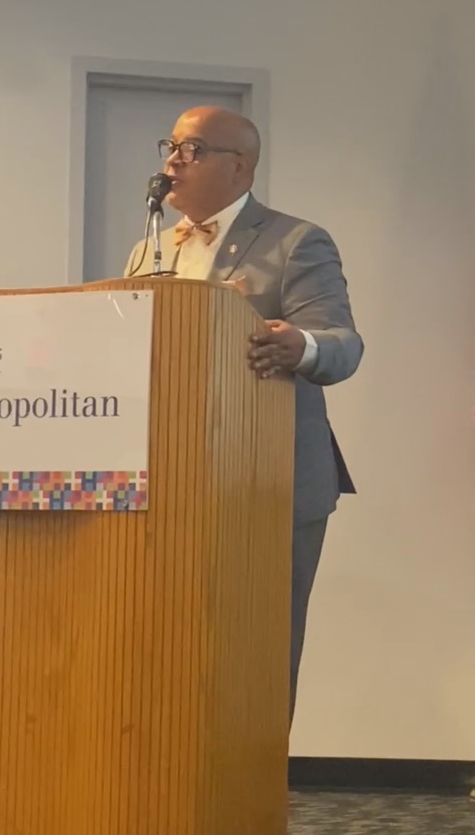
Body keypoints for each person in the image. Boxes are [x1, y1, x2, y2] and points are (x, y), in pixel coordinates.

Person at [125, 106, 363, 723]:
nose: (172, 162)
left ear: (240, 167)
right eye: (170, 146)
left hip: (267, 483)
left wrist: (300, 346)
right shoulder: (148, 251)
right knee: (167, 651)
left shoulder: (295, 241)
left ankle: (252, 782)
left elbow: (342, 343)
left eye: (192, 149)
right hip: (168, 485)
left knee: (257, 656)